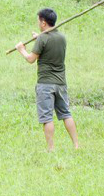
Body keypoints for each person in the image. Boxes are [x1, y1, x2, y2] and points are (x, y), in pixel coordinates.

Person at [15, 8, 79, 152]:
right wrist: (39, 38)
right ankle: (76, 145)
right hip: (61, 83)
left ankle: (51, 149)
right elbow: (48, 44)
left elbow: (31, 59)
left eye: (38, 20)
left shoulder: (43, 38)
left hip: (45, 84)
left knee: (47, 117)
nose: (38, 23)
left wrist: (21, 49)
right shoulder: (61, 37)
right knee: (66, 113)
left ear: (43, 23)